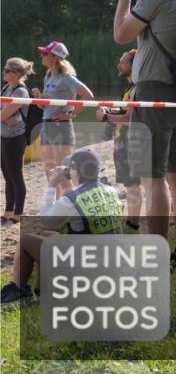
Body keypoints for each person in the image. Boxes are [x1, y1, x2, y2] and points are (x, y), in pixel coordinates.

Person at [112, 0, 176, 268]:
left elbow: (122, 33)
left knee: (153, 177)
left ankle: (158, 256)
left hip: (154, 93)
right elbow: (152, 23)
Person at [0, 148, 122, 305]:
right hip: (112, 263)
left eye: (70, 168)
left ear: (75, 171)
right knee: (47, 235)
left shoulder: (72, 200)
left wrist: (52, 185)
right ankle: (41, 291)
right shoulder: (111, 191)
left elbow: (46, 219)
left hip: (87, 269)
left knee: (26, 240)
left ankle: (18, 290)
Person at [32, 41, 94, 199]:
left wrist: (70, 114)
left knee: (63, 174)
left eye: (45, 53)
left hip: (61, 127)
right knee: (50, 172)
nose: (41, 55)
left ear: (54, 57)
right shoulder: (48, 76)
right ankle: (56, 210)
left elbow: (88, 97)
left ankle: (66, 213)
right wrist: (39, 98)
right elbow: (45, 108)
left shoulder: (66, 77)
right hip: (47, 125)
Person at [96, 49, 142, 230]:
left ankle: (133, 223)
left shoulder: (136, 88)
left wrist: (107, 117)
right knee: (130, 184)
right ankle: (132, 220)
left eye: (123, 62)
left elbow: (130, 118)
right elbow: (125, 113)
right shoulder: (129, 88)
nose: (119, 65)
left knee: (133, 185)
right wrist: (109, 112)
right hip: (122, 140)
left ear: (133, 65)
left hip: (131, 142)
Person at [1, 58, 34, 226]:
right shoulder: (7, 88)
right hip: (4, 136)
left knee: (16, 176)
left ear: (17, 73)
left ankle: (18, 213)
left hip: (15, 138)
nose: (4, 72)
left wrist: (5, 117)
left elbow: (3, 115)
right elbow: (4, 115)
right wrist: (5, 117)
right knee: (7, 175)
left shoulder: (20, 92)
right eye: (4, 69)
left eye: (7, 70)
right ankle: (8, 211)